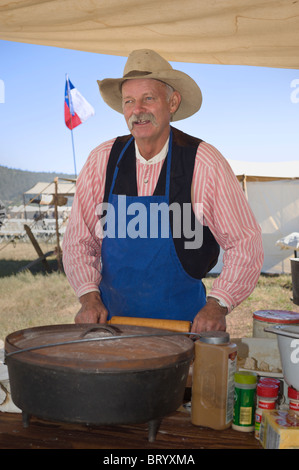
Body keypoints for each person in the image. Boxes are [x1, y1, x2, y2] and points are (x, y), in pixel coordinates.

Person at [62, 49, 263, 333]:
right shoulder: (102, 160)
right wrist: (88, 297)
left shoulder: (202, 161)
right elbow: (79, 241)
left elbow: (245, 242)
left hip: (186, 329)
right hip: (112, 328)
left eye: (148, 98)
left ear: (172, 102)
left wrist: (218, 304)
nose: (137, 110)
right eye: (129, 101)